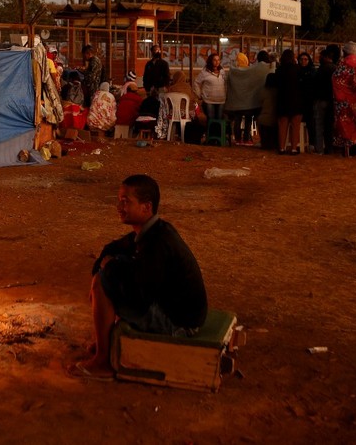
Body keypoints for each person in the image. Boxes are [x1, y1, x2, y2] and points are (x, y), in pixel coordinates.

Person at [68, 175, 207, 380]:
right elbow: (114, 248)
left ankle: (104, 360)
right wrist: (105, 263)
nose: (119, 206)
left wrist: (110, 270)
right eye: (119, 200)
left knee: (102, 283)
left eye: (126, 202)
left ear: (146, 207)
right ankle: (104, 340)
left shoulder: (159, 242)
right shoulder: (151, 231)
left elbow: (139, 296)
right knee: (108, 272)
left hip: (179, 324)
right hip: (169, 307)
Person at [225, 52, 268, 145]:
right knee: (248, 120)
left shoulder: (234, 71)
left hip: (236, 102)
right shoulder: (251, 71)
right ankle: (246, 139)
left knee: (237, 119)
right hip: (249, 102)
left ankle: (237, 139)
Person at [332, 42, 356, 157]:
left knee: (342, 123)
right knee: (353, 124)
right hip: (352, 99)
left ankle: (344, 150)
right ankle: (352, 150)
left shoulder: (342, 63)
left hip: (340, 99)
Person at [311, 45, 339, 155]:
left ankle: (319, 148)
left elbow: (316, 84)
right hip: (331, 100)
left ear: (326, 57)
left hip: (320, 100)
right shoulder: (335, 69)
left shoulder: (322, 69)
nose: (319, 58)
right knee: (329, 126)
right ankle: (329, 148)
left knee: (319, 125)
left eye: (321, 56)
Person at [275, 49, 303, 154]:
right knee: (295, 126)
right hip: (296, 100)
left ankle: (281, 148)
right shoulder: (297, 69)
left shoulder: (279, 70)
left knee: (282, 125)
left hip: (282, 99)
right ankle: (294, 148)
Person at [194, 53, 227, 120]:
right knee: (211, 120)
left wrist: (226, 94)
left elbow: (226, 83)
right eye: (214, 60)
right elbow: (196, 83)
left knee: (219, 120)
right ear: (210, 61)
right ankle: (211, 130)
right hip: (209, 101)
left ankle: (218, 131)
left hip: (221, 100)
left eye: (218, 60)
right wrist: (199, 95)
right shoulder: (204, 72)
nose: (217, 62)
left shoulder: (222, 72)